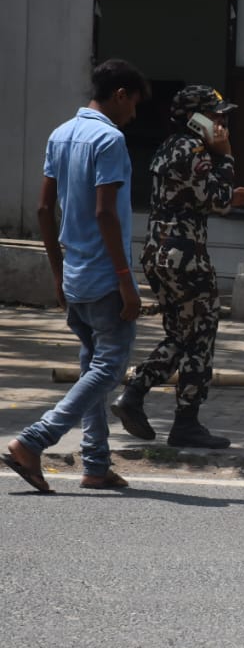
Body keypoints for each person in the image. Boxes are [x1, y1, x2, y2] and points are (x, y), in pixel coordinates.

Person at [3, 59, 149, 493]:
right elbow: (106, 213)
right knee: (108, 369)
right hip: (105, 275)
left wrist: (56, 272)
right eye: (134, 104)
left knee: (91, 366)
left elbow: (44, 210)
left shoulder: (60, 134)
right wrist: (126, 281)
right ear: (120, 95)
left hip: (74, 274)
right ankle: (34, 441)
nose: (134, 115)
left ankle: (96, 464)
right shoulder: (110, 139)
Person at [111, 85, 244, 450]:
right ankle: (185, 421)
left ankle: (135, 395)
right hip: (184, 256)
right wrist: (226, 156)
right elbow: (216, 196)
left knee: (182, 334)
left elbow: (193, 197)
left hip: (159, 252)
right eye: (216, 115)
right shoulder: (194, 149)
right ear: (195, 118)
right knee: (201, 332)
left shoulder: (170, 147)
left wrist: (225, 192)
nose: (222, 123)